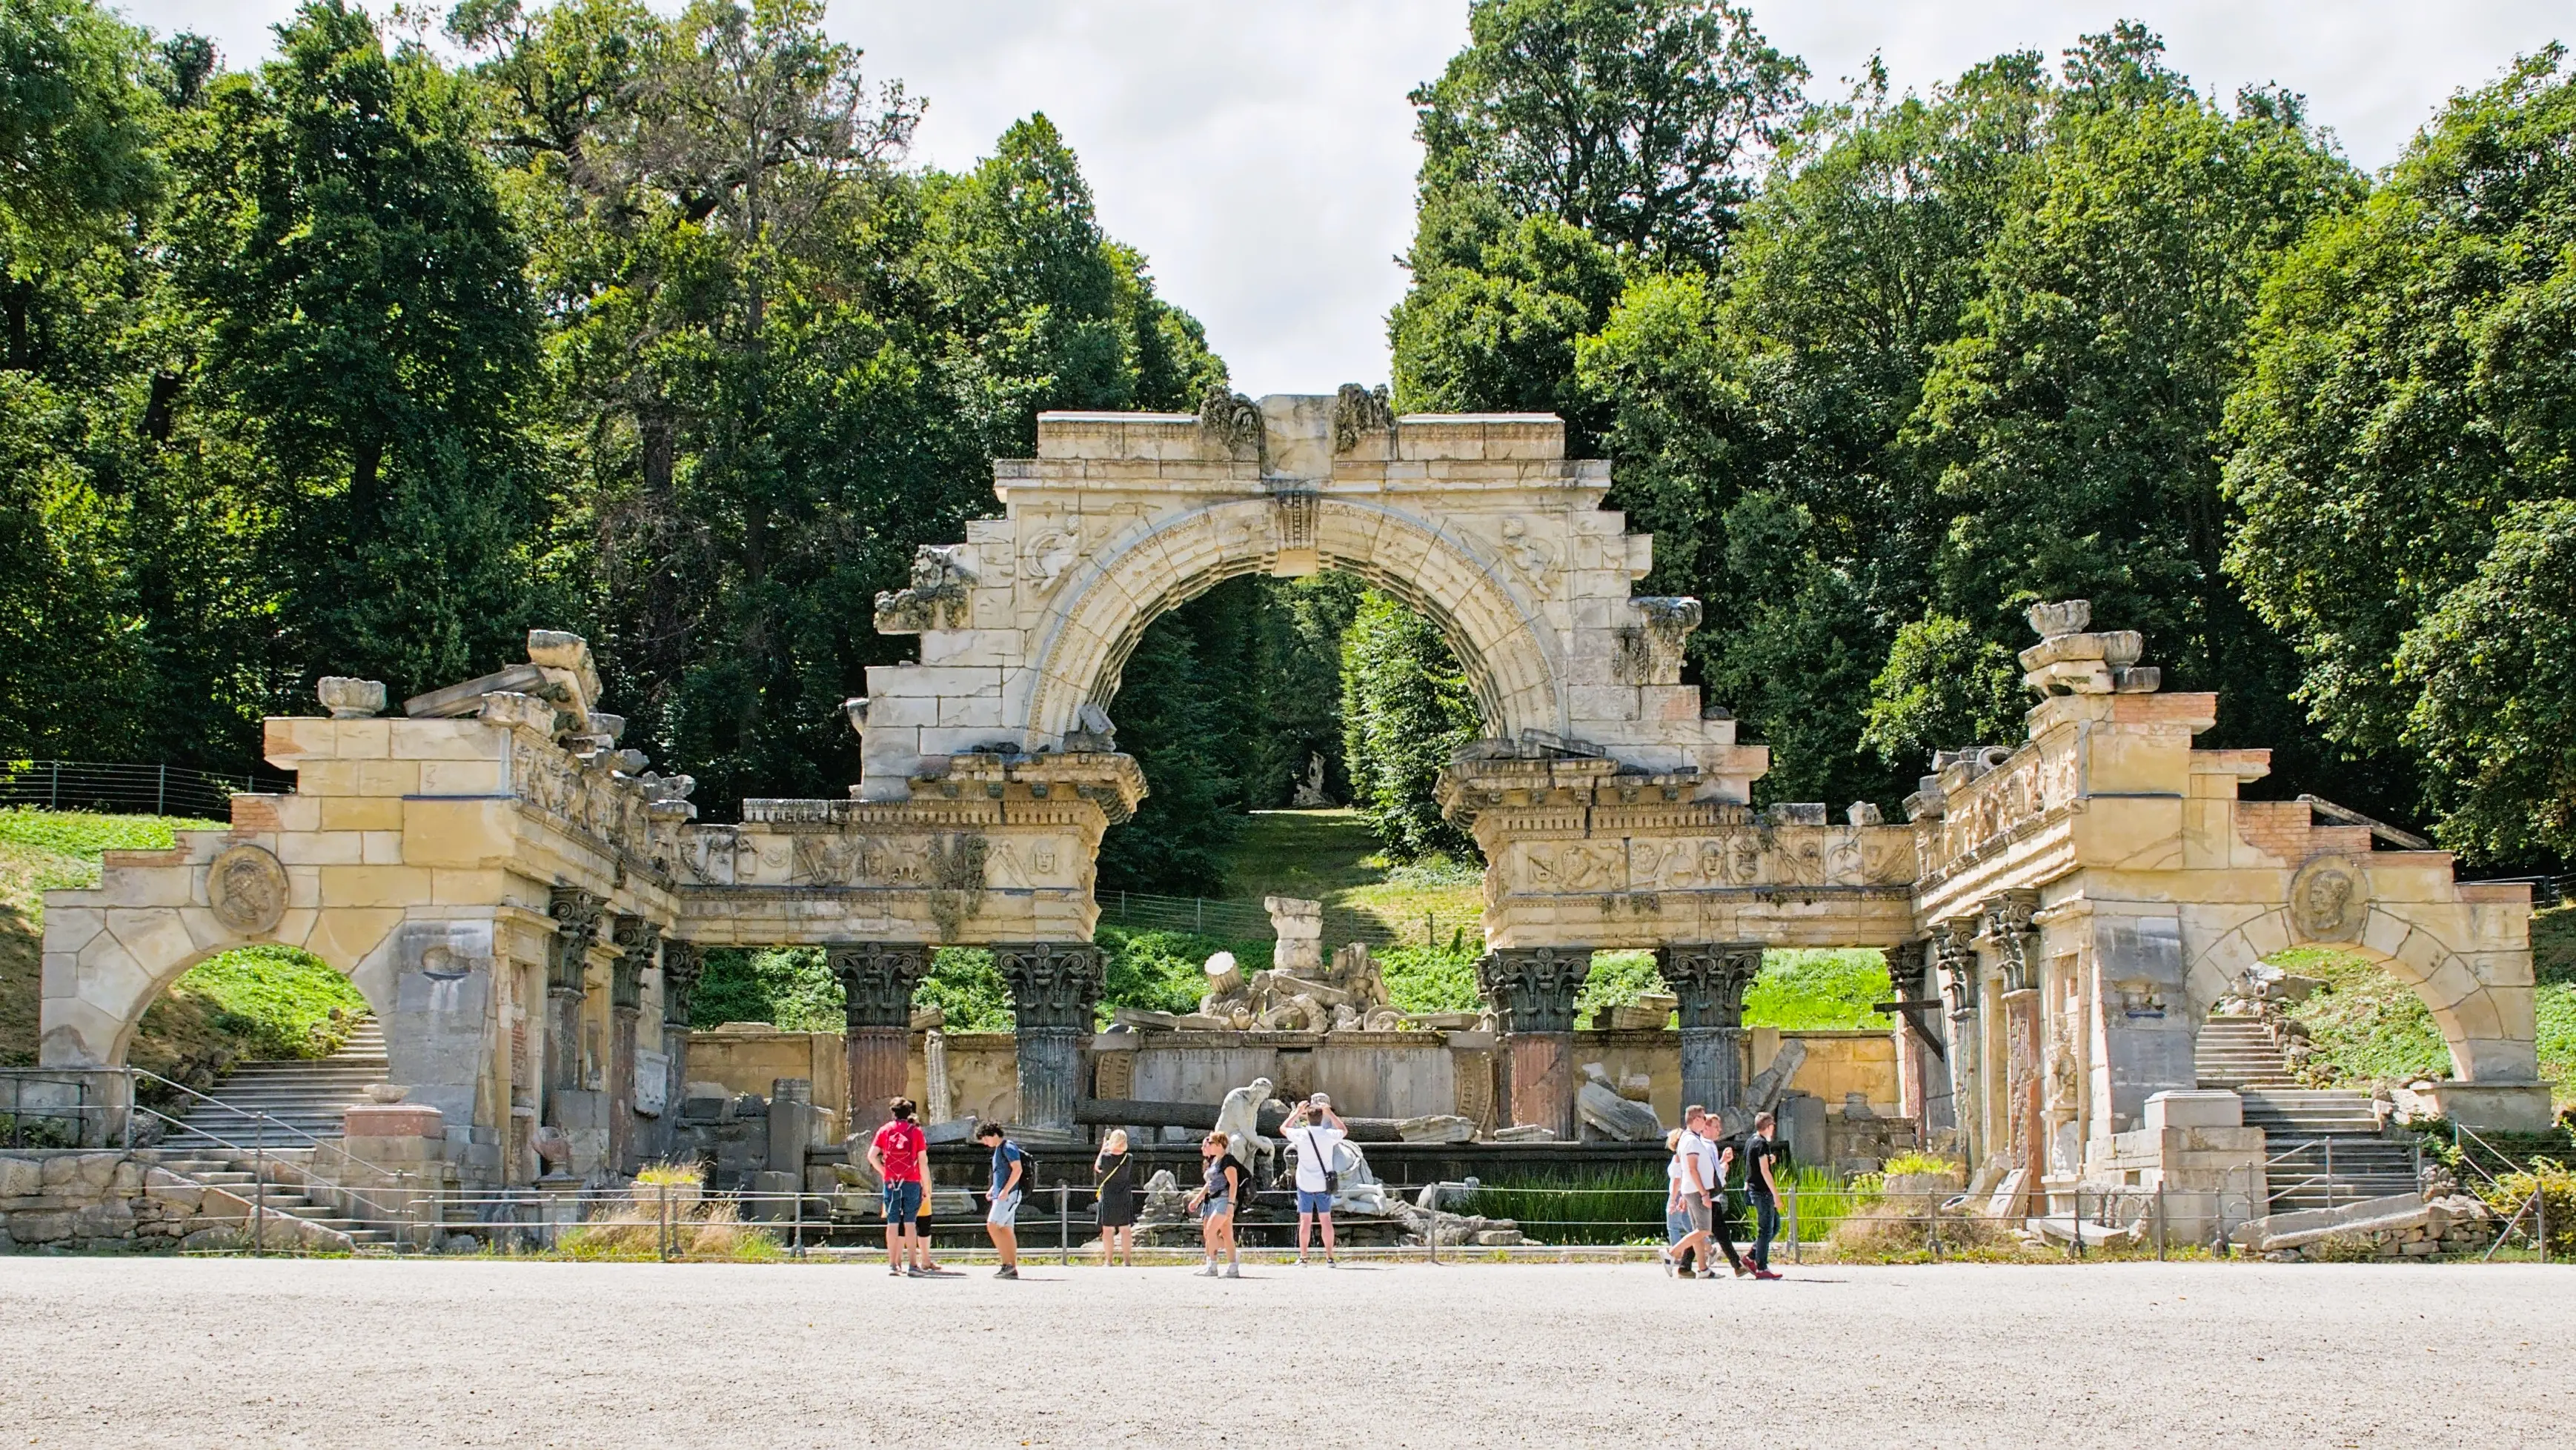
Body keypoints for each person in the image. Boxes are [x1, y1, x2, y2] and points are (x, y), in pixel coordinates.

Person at [864, 1097, 932, 1277]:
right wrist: (926, 1187)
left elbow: (871, 1155)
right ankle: (913, 1265)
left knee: (892, 1222)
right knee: (910, 1223)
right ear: (909, 1113)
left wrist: (883, 1171)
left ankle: (893, 1265)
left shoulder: (884, 1130)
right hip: (912, 1181)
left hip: (891, 1182)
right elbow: (923, 1161)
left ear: (893, 1112)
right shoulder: (916, 1132)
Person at [1282, 1094, 1347, 1266]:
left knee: (1305, 1221)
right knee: (1326, 1220)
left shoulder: (1301, 1135)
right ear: (1322, 1117)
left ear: (1307, 1118)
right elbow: (1344, 1130)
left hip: (1305, 1183)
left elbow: (1283, 1128)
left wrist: (1297, 1112)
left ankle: (1304, 1257)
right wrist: (1330, 1113)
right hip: (1323, 1184)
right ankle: (1330, 1258)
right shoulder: (1328, 1135)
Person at [1684, 1105, 1748, 1278]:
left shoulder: (1707, 1145)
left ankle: (1685, 1265)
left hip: (1709, 1193)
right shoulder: (1705, 1145)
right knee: (1713, 1231)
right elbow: (1710, 1172)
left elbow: (1711, 1170)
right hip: (1710, 1195)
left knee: (1705, 1231)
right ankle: (1736, 1265)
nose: (1720, 1130)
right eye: (1716, 1127)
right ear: (1706, 1128)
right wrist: (1723, 1167)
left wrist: (1722, 1162)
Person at [1185, 1129, 1246, 1278]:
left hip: (1224, 1200)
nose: (1208, 1145)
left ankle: (1213, 1266)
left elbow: (1233, 1183)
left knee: (1211, 1230)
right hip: (1213, 1200)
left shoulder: (1228, 1161)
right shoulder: (1215, 1160)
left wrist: (1231, 1204)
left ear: (1219, 1144)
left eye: (1211, 1142)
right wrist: (1198, 1199)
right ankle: (1232, 1267)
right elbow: (1210, 1183)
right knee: (1226, 1234)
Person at [976, 1121, 1026, 1279]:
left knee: (992, 1225)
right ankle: (1011, 1266)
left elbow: (1017, 1169)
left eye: (986, 1139)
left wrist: (1005, 1190)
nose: (985, 1143)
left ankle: (1007, 1264)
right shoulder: (1000, 1149)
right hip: (1004, 1194)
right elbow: (1002, 1173)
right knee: (1006, 1230)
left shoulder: (1008, 1147)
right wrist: (994, 1189)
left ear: (994, 1135)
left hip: (1008, 1195)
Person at [1661, 1128, 1711, 1277]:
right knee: (1694, 1228)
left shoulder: (1680, 1156)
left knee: (1679, 1227)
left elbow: (1677, 1179)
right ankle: (1704, 1260)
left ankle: (1674, 1253)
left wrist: (1673, 1199)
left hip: (1682, 1193)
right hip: (1686, 1193)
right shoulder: (1684, 1153)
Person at [1744, 1109, 1786, 1280]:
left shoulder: (1751, 1141)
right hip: (1762, 1192)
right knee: (1766, 1230)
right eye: (1772, 1126)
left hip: (1755, 1190)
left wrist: (1769, 1159)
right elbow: (1764, 1171)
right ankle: (1761, 1267)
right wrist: (1776, 1195)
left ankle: (1751, 1256)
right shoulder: (1762, 1144)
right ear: (1768, 1127)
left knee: (1774, 1227)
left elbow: (1753, 1163)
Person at [1094, 1128, 1138, 1267]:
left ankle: (1109, 1261)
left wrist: (1103, 1148)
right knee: (1125, 1229)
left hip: (1108, 1196)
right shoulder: (1129, 1158)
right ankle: (1127, 1261)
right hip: (1124, 1196)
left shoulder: (1105, 1158)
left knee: (1108, 1230)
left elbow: (1097, 1168)